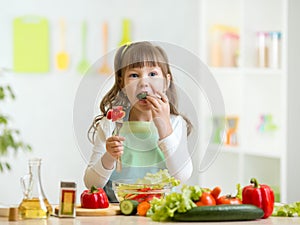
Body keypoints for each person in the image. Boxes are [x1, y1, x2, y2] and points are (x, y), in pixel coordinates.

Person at [84, 41, 193, 202]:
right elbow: (91, 184)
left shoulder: (176, 123)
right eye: (134, 75)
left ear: (166, 82)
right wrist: (109, 156)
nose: (144, 82)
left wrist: (164, 126)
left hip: (160, 213)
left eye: (153, 74)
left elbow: (182, 176)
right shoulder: (111, 124)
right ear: (122, 83)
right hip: (118, 213)